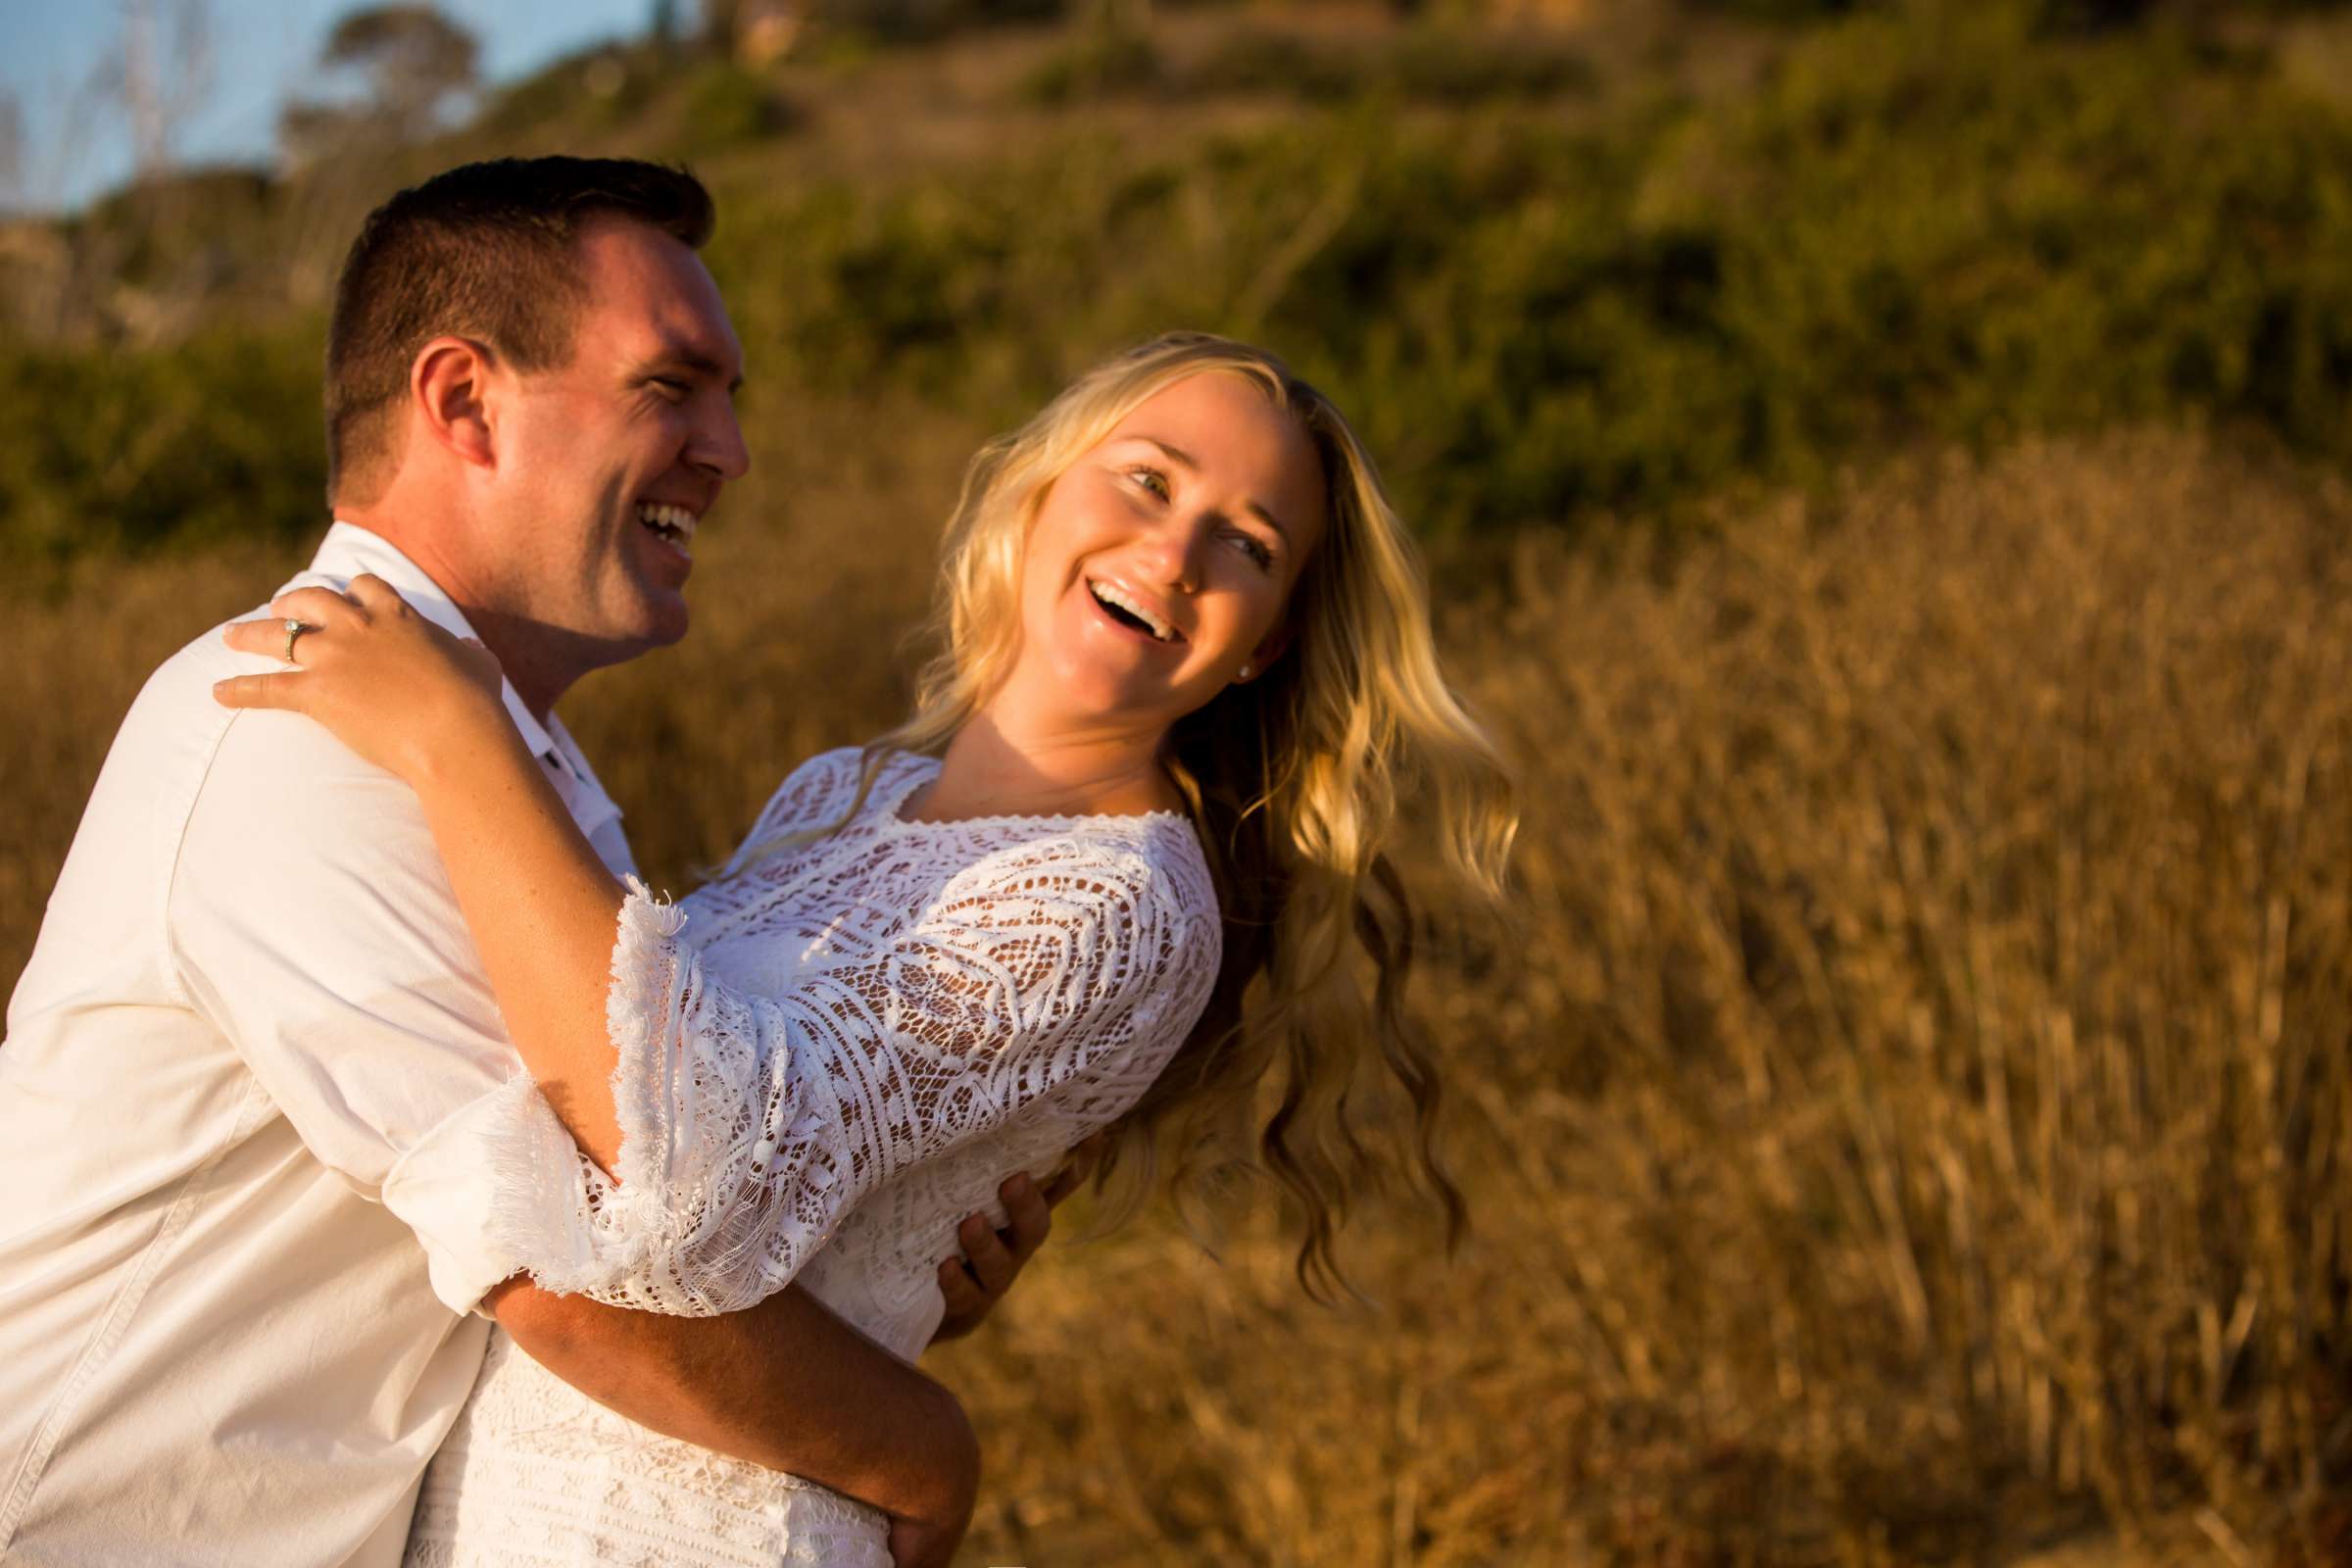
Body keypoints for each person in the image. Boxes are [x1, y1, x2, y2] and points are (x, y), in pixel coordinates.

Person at [211, 330, 1520, 1564]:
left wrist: (458, 745)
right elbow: (698, 1106)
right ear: (1039, 495)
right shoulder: (842, 790)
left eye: (1243, 543)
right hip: (489, 1491)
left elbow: (690, 1196)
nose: (1173, 554)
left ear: (1268, 642)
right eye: (1145, 481)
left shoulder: (1116, 902)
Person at [0, 157, 1054, 1568]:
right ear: (462, 401)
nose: (729, 452)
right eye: (671, 386)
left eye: (731, 397)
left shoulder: (507, 765)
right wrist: (924, 1452)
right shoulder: (300, 725)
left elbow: (666, 1194)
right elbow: (567, 1272)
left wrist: (900, 1250)